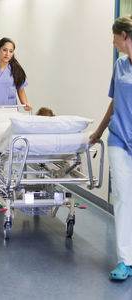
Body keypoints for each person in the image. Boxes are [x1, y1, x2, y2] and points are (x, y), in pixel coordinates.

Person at [89, 15, 132, 280]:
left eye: (115, 36)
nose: (113, 41)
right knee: (124, 199)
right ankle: (125, 260)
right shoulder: (119, 65)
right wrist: (99, 131)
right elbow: (115, 101)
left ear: (124, 35)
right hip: (119, 139)